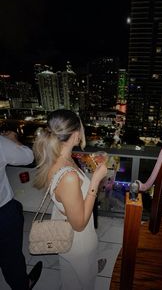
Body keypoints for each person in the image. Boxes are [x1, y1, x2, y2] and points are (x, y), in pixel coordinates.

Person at [33, 109, 108, 290]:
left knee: (70, 279)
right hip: (78, 241)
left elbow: (68, 196)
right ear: (75, 134)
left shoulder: (56, 158)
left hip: (65, 231)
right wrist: (95, 181)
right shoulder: (68, 176)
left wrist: (95, 164)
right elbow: (80, 224)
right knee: (85, 282)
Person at [0, 130, 42, 290]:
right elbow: (28, 156)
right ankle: (23, 285)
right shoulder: (2, 143)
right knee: (11, 256)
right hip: (3, 212)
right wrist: (12, 140)